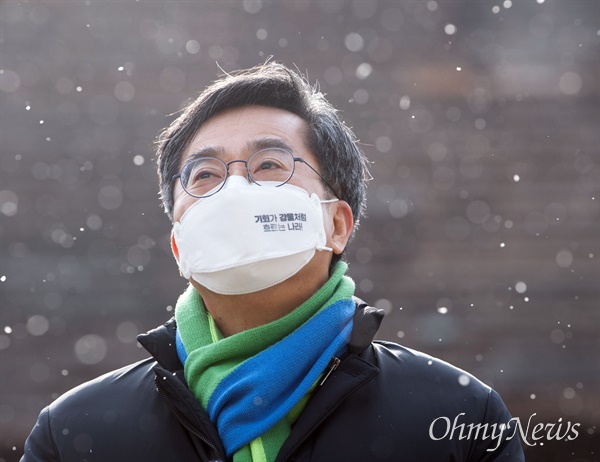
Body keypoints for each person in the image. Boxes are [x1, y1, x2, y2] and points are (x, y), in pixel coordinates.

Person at [21, 62, 524, 461]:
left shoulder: (457, 418)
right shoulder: (75, 433)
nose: (235, 189)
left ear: (337, 225)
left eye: (269, 165)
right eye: (203, 175)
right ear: (179, 244)